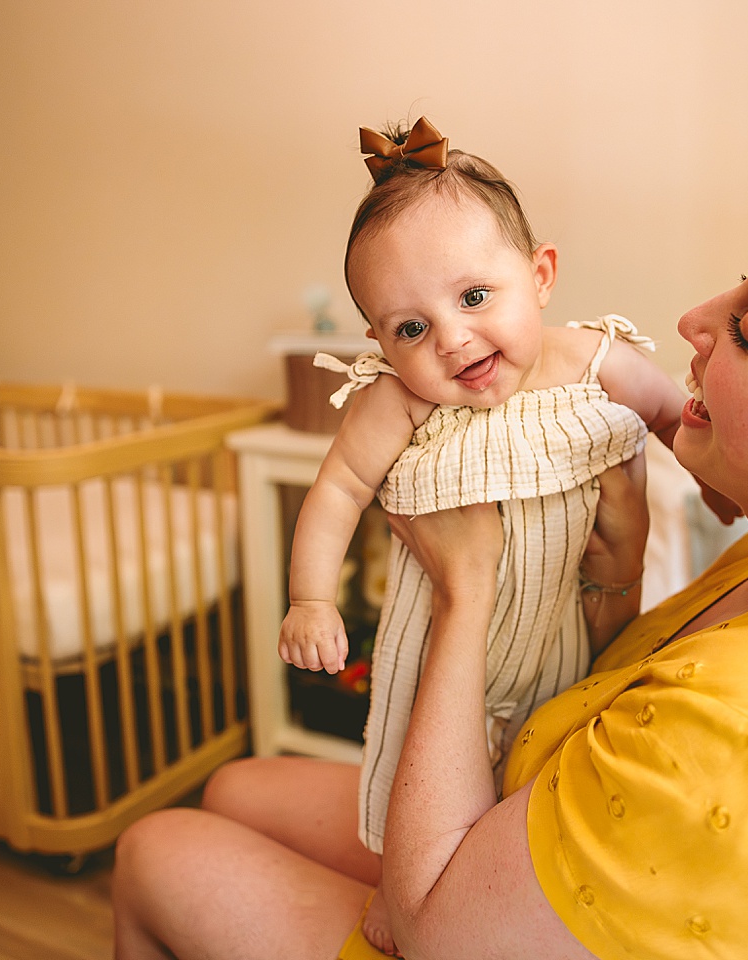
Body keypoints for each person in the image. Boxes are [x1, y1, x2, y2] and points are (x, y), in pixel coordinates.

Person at [112, 166, 748, 959]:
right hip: (537, 776)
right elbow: (617, 699)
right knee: (241, 786)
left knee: (156, 849)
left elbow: (431, 932)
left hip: (453, 912)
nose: (692, 323)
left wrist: (465, 591)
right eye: (410, 327)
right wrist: (612, 589)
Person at [278, 116, 685, 952]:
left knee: (534, 774)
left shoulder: (586, 358)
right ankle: (404, 887)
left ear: (539, 276)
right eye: (411, 328)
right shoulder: (399, 400)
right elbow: (336, 491)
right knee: (406, 768)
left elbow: (674, 411)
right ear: (381, 344)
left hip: (558, 637)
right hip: (430, 650)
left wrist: (714, 481)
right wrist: (311, 598)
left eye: (472, 298)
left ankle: (477, 898)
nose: (452, 339)